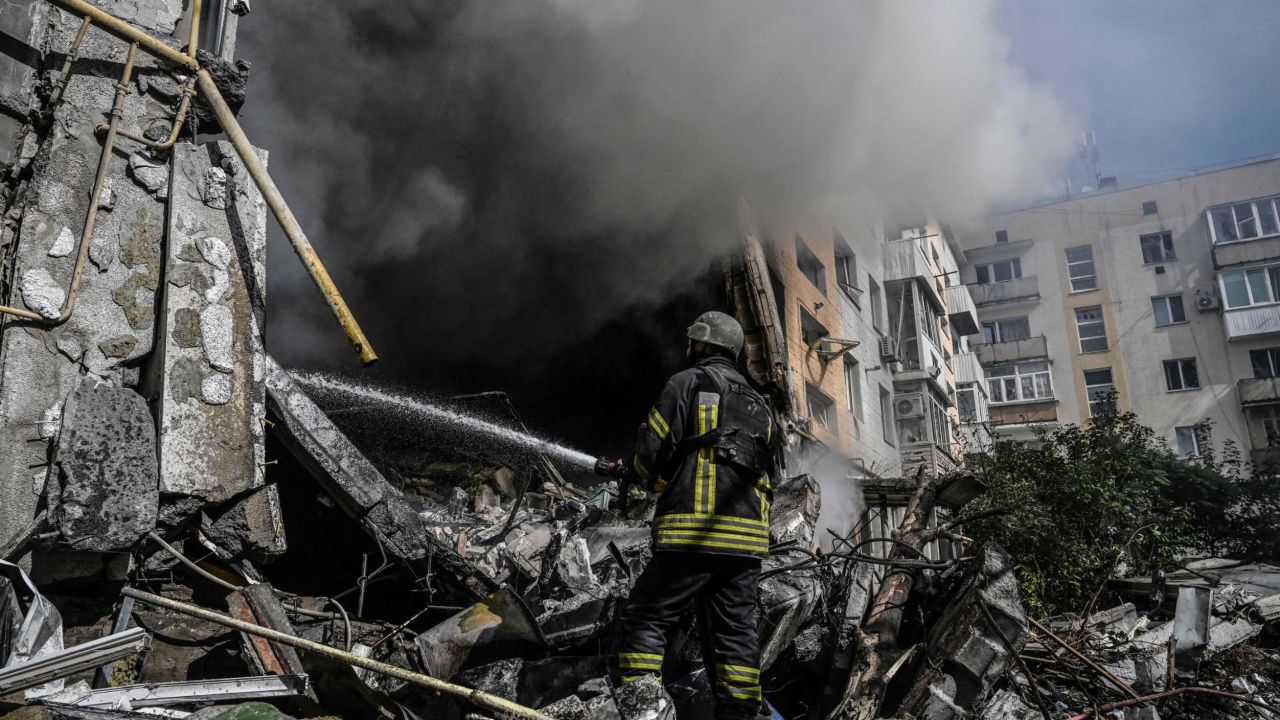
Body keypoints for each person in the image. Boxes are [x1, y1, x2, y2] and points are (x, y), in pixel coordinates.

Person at [612, 310, 780, 720]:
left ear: (703, 344)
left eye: (694, 340)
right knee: (735, 633)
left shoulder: (686, 383)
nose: (690, 346)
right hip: (746, 544)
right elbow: (773, 473)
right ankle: (739, 714)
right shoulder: (763, 407)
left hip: (694, 531)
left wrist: (634, 470)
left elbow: (652, 453)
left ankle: (641, 708)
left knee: (646, 616)